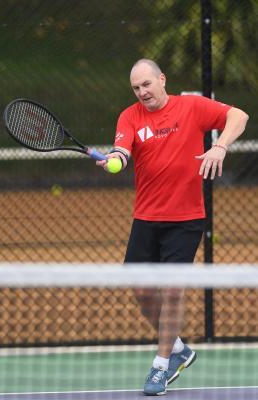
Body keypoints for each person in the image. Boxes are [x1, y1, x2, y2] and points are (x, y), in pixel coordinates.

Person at [97, 59, 249, 396]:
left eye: (147, 84)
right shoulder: (130, 116)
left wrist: (219, 145)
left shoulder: (192, 106)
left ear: (161, 80)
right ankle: (179, 347)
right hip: (147, 218)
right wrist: (114, 160)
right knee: (140, 288)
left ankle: (161, 365)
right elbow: (122, 151)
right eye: (137, 88)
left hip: (186, 219)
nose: (143, 92)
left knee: (174, 290)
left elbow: (239, 116)